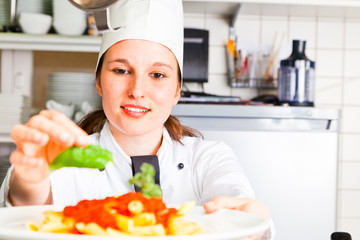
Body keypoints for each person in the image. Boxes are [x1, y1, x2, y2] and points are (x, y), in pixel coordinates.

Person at [0, 0, 273, 239]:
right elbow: (26, 208)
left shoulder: (209, 158)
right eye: (121, 70)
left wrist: (250, 223)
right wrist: (28, 182)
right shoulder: (64, 159)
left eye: (157, 75)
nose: (137, 91)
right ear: (98, 81)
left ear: (177, 90)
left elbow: (238, 206)